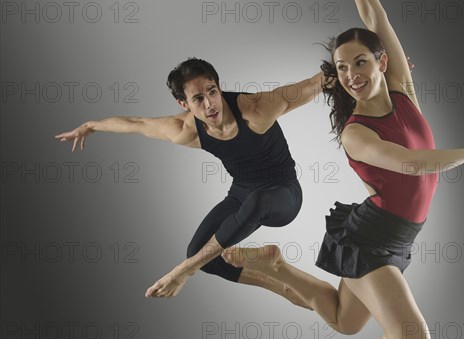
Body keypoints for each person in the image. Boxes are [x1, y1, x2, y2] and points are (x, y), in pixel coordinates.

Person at [222, 0, 464, 339]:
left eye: (360, 62)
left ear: (381, 62)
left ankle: (276, 263)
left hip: (400, 237)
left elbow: (377, 19)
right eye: (342, 66)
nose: (352, 73)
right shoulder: (356, 132)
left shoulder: (404, 90)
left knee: (343, 320)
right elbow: (410, 163)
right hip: (371, 240)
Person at [55, 57, 323, 306]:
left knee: (201, 254)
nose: (210, 104)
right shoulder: (184, 130)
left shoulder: (256, 109)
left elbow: (312, 85)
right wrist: (91, 125)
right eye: (198, 98)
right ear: (184, 104)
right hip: (241, 193)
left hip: (283, 194)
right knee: (201, 254)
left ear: (219, 88)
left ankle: (183, 270)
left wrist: (348, 71)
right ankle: (281, 286)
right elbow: (136, 123)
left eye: (212, 91)